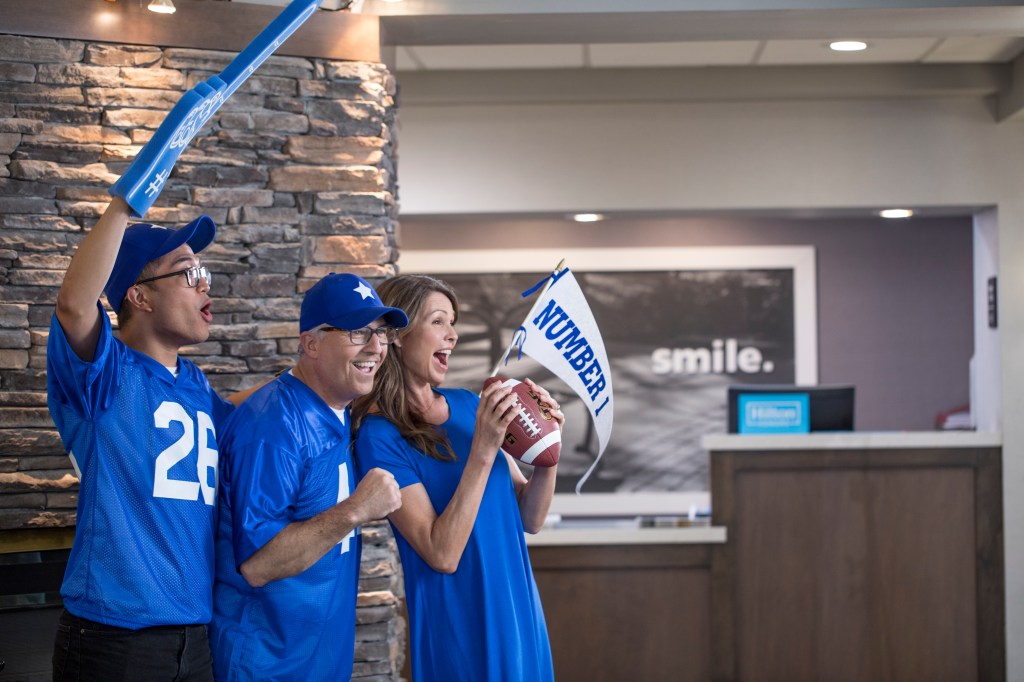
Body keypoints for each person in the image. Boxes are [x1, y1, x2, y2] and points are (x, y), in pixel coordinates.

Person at [46, 197, 233, 681]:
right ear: (140, 296)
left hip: (193, 637)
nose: (205, 283)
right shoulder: (105, 372)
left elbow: (255, 418)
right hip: (114, 640)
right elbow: (73, 303)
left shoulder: (195, 384)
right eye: (188, 272)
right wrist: (125, 206)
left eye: (204, 272)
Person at [352, 274, 561, 681]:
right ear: (397, 334)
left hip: (519, 615)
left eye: (453, 322)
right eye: (438, 321)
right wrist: (482, 451)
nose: (452, 335)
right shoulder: (380, 436)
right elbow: (441, 553)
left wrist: (547, 453)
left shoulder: (468, 404)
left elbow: (529, 518)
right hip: (461, 631)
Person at [210, 272, 406, 682]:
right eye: (357, 332)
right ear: (311, 342)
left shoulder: (338, 407)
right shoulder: (272, 428)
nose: (375, 346)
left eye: (381, 333)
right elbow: (259, 565)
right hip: (265, 667)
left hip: (317, 663)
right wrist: (355, 510)